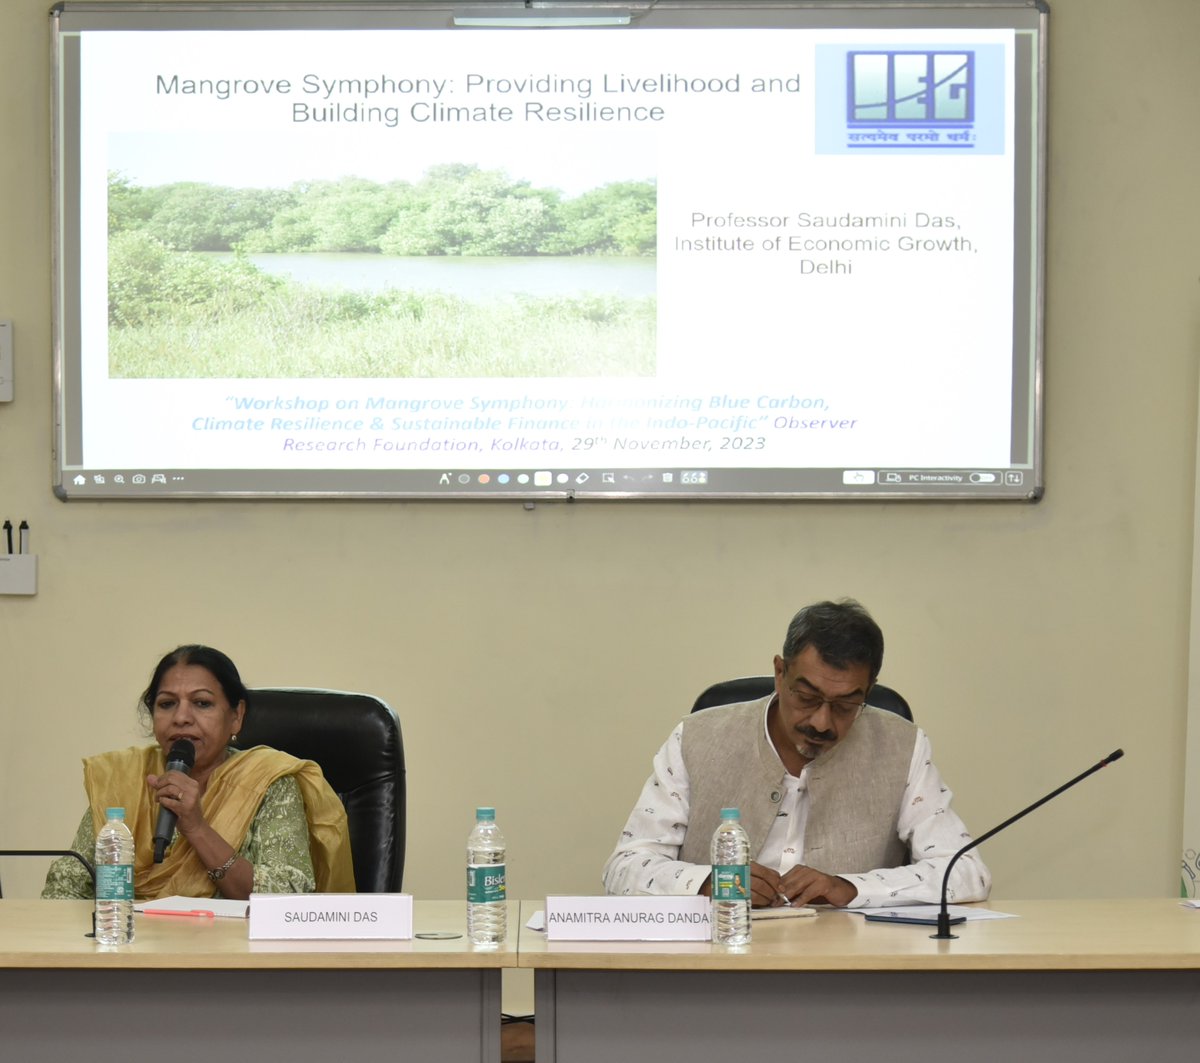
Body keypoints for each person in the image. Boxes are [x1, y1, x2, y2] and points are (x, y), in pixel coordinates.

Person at [602, 600, 991, 909]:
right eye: (806, 698)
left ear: (868, 691)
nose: (822, 722)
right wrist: (707, 883)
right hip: (718, 964)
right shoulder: (696, 738)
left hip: (850, 972)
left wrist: (850, 888)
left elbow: (966, 872)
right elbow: (625, 868)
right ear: (779, 672)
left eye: (845, 705)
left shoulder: (903, 747)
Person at [42, 644, 355, 900]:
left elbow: (290, 894)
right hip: (132, 954)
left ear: (236, 717)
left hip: (234, 963)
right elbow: (68, 881)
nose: (181, 717)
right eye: (166, 704)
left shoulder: (268, 781)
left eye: (201, 703)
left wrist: (197, 828)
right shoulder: (124, 777)